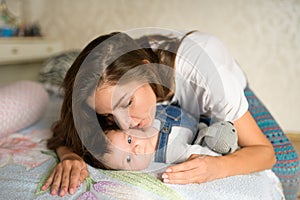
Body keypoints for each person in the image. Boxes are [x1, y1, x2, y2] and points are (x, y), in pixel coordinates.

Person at [41, 30, 299, 199]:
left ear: (146, 71)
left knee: (289, 170)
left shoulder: (210, 80)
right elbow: (68, 130)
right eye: (109, 115)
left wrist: (218, 167)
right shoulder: (109, 90)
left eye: (127, 102)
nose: (125, 123)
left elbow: (264, 151)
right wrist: (70, 155)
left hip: (228, 79)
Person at [103, 104, 237, 171]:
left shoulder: (144, 119)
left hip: (193, 108)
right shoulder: (171, 153)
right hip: (206, 131)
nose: (136, 149)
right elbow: (200, 155)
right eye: (128, 159)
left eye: (129, 140)